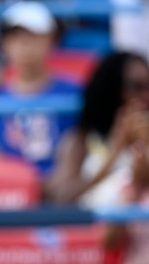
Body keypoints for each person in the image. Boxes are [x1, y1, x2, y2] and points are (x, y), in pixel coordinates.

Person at [0, 1, 82, 179]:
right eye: (16, 37)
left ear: (51, 39)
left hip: (62, 191)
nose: (25, 44)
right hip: (13, 192)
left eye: (34, 35)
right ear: (5, 44)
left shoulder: (74, 92)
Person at [46, 52, 149, 206]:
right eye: (136, 87)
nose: (146, 95)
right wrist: (116, 150)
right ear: (111, 89)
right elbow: (61, 198)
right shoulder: (80, 141)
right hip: (95, 227)